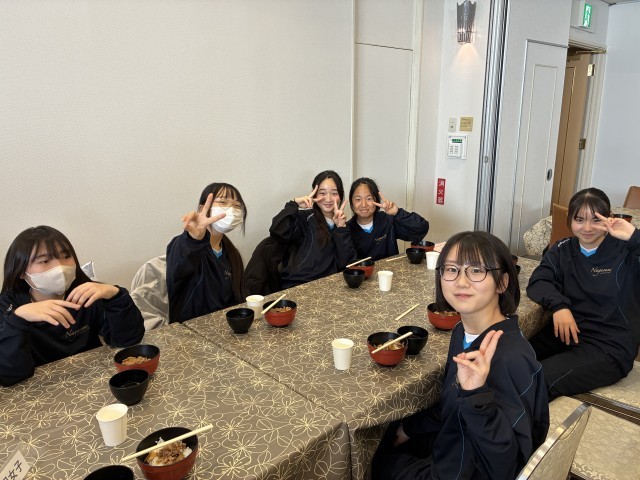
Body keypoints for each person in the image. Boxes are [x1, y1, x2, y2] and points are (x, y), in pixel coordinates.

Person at [372, 231, 549, 480]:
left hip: (461, 472)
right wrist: (409, 429)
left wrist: (476, 395)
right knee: (387, 430)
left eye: (476, 270)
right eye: (452, 269)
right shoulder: (460, 331)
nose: (461, 282)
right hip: (451, 448)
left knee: (371, 460)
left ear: (502, 282)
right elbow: (451, 402)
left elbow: (507, 467)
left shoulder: (511, 359)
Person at [527, 187, 640, 400]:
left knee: (535, 379)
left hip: (609, 347)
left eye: (596, 220)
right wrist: (559, 306)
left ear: (609, 219)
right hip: (567, 333)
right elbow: (539, 281)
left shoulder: (627, 250)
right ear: (570, 220)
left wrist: (634, 237)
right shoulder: (562, 249)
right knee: (508, 359)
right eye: (579, 219)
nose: (587, 228)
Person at [0, 226, 144, 387]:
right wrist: (17, 320)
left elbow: (128, 341)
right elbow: (10, 375)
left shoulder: (86, 292)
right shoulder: (7, 306)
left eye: (66, 256)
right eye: (44, 261)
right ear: (21, 270)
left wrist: (116, 296)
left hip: (94, 380)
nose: (60, 267)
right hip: (41, 390)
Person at [166, 182, 247, 324]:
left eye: (237, 206)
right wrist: (194, 239)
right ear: (202, 209)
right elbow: (180, 265)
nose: (231, 210)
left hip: (225, 328)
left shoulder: (232, 254)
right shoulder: (184, 244)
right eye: (223, 202)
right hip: (191, 331)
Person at [269, 170, 357, 288]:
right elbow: (277, 231)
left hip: (327, 286)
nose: (328, 199)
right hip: (298, 285)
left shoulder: (343, 225)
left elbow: (346, 265)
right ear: (314, 194)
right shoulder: (304, 218)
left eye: (334, 193)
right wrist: (293, 204)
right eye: (322, 193)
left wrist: (341, 229)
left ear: (340, 196)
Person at [347, 177, 429, 260]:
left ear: (376, 200)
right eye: (358, 199)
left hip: (391, 268)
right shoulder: (346, 230)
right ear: (351, 203)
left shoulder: (387, 220)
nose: (364, 204)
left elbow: (421, 228)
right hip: (364, 269)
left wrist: (397, 212)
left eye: (369, 199)